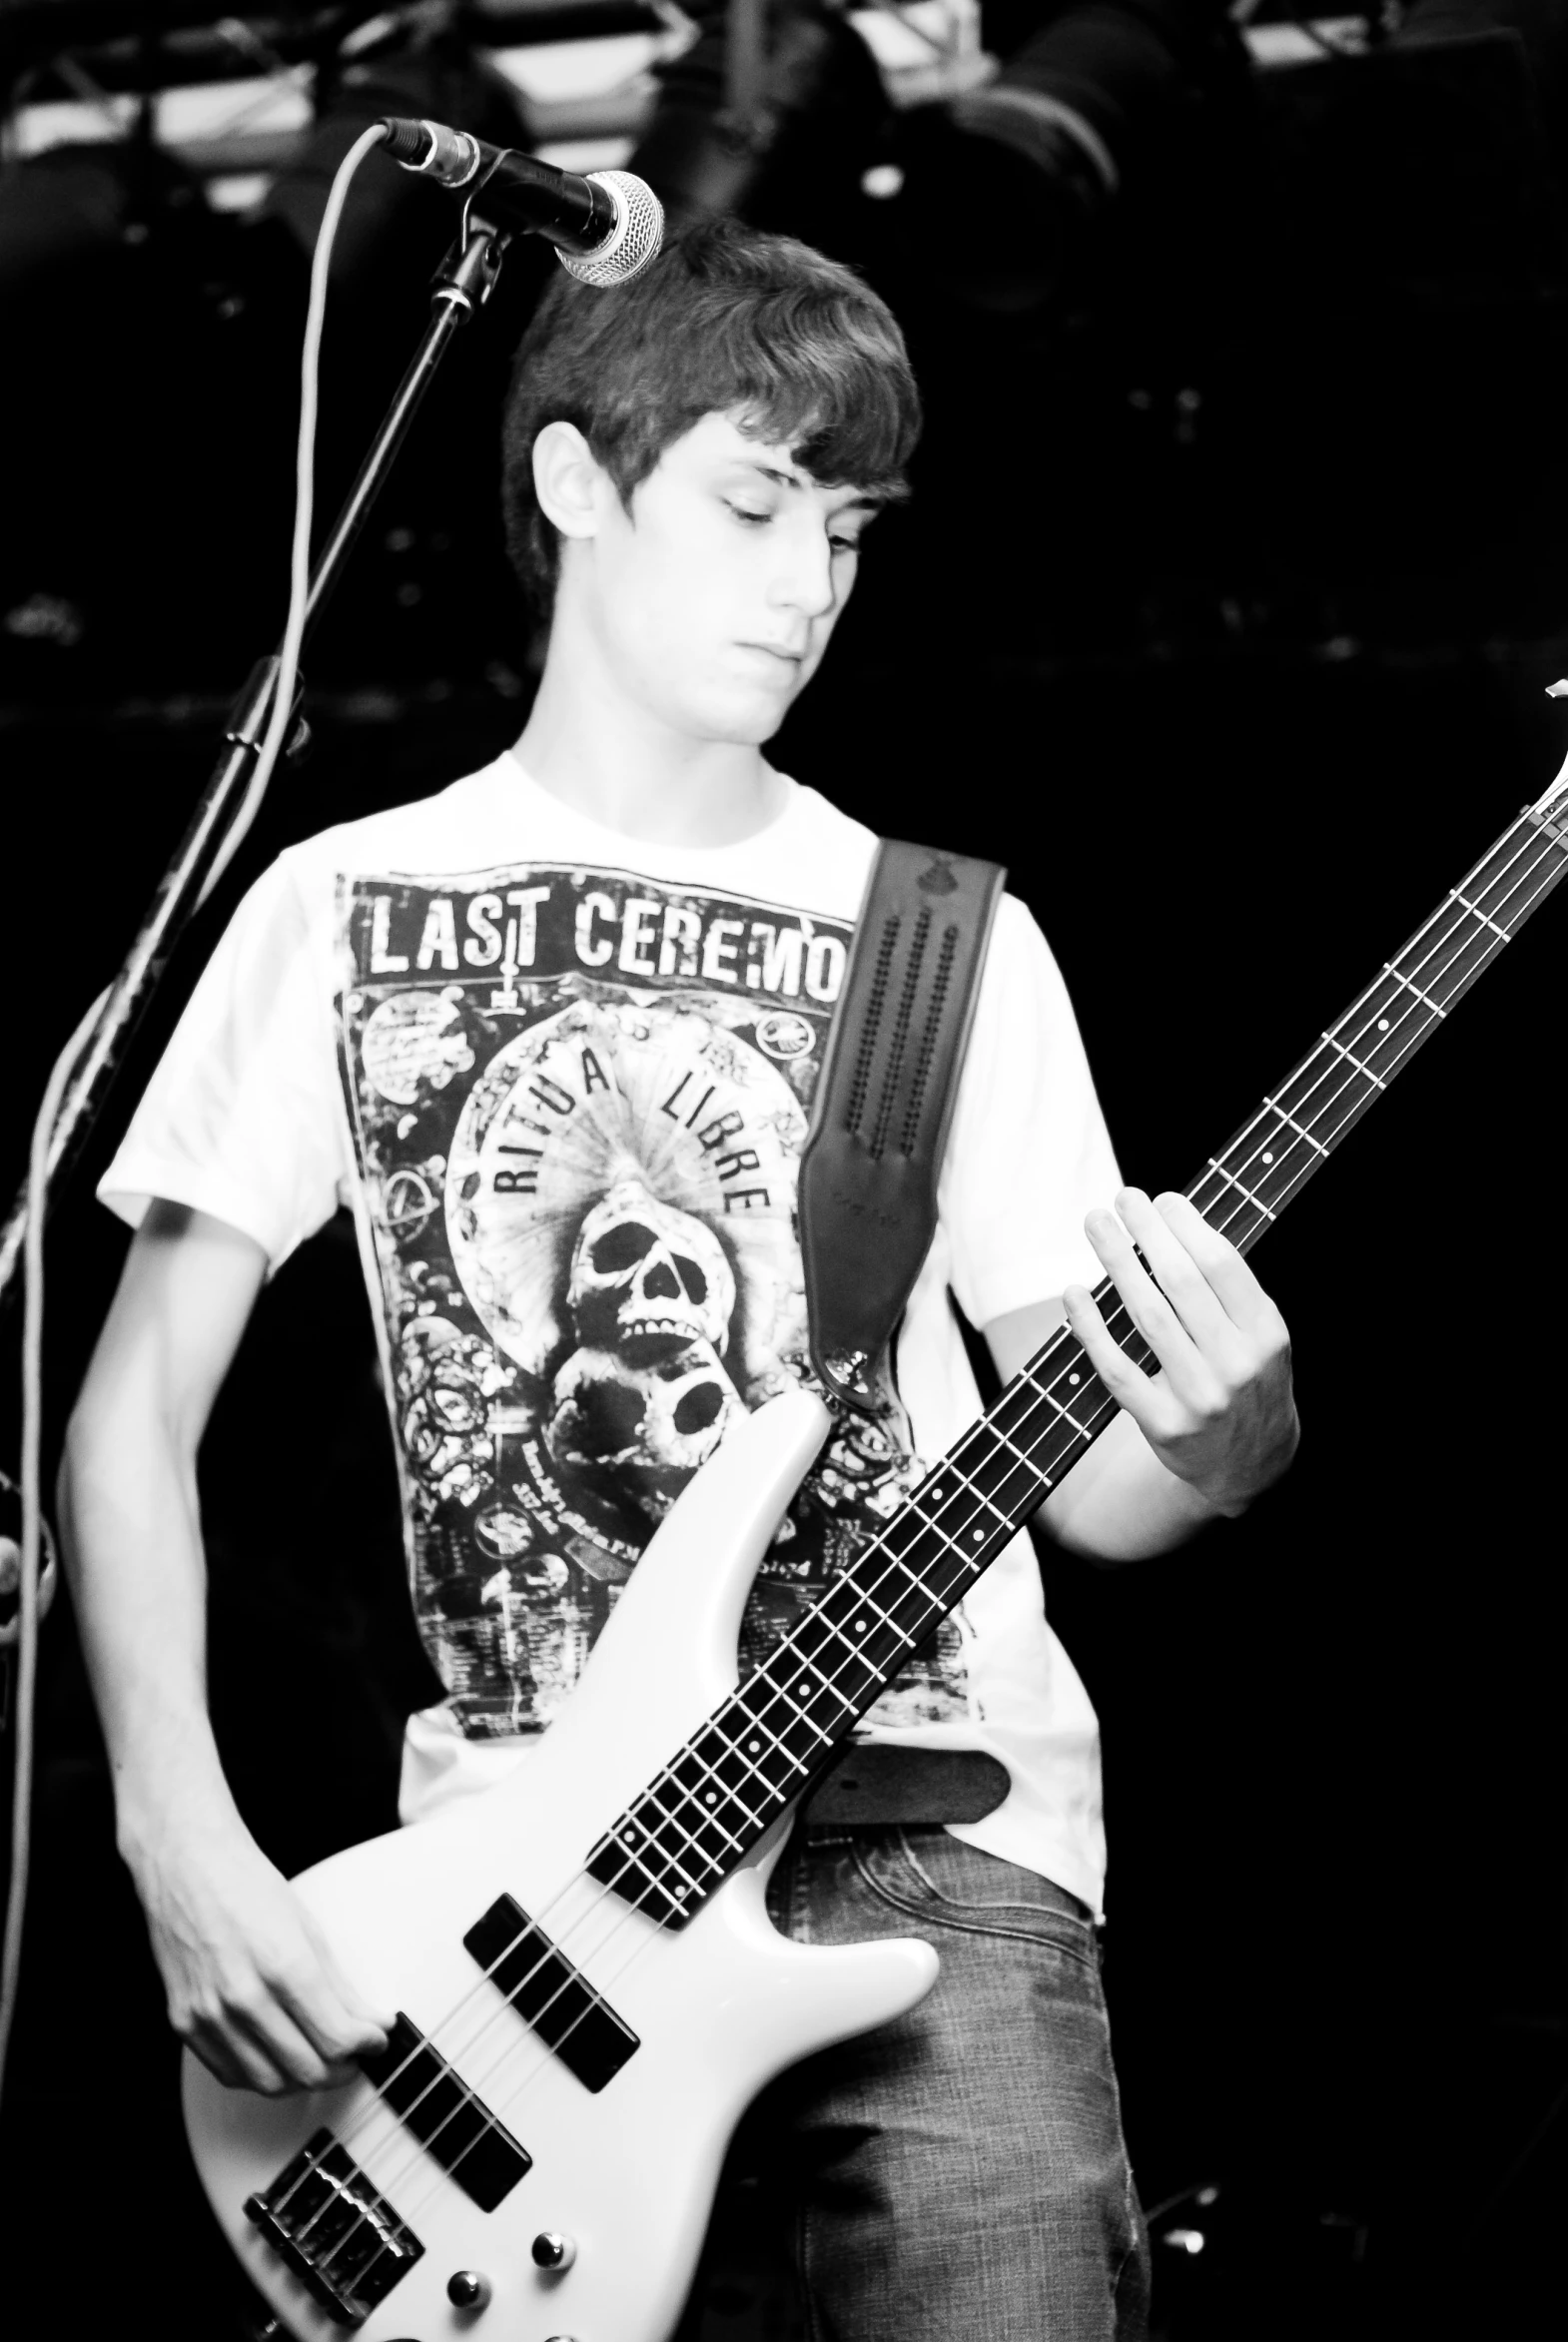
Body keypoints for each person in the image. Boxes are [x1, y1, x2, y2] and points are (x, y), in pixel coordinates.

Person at [59, 217, 1297, 2341]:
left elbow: (1084, 1484)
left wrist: (1226, 1439)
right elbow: (127, 1415)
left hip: (943, 1843)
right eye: (750, 500)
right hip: (512, 1901)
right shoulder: (337, 904)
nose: (807, 579)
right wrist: (179, 1835)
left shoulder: (942, 942)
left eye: (846, 524)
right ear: (569, 479)